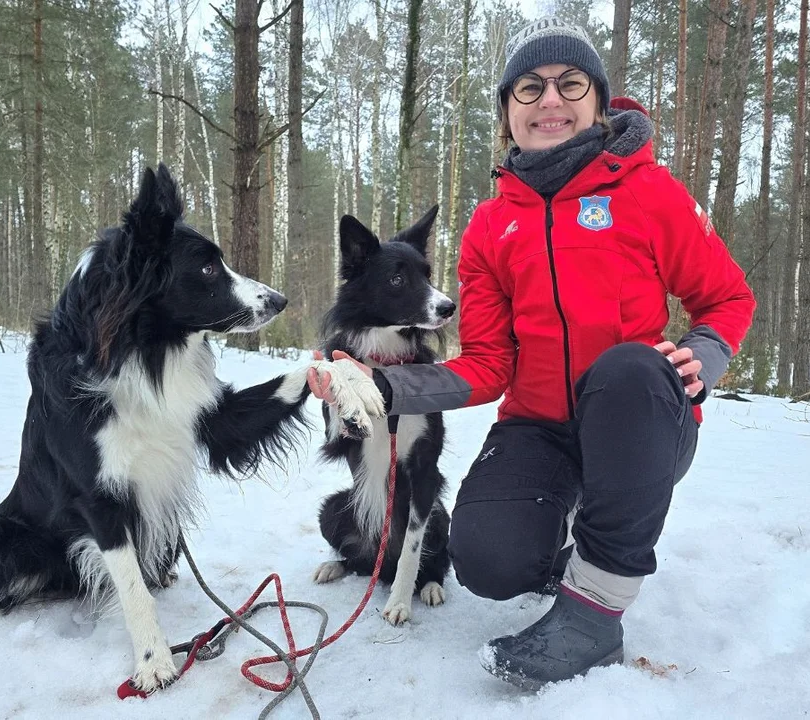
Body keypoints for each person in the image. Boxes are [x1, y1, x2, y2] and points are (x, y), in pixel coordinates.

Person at [308, 16, 756, 690]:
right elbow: (488, 365)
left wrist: (705, 355)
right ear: (508, 113)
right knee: (484, 559)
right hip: (538, 429)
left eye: (570, 84)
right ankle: (564, 537)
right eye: (529, 89)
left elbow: (727, 298)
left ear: (598, 103)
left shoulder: (648, 190)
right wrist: (381, 387)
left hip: (638, 421)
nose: (550, 100)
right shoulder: (492, 225)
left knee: (633, 366)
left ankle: (593, 617)